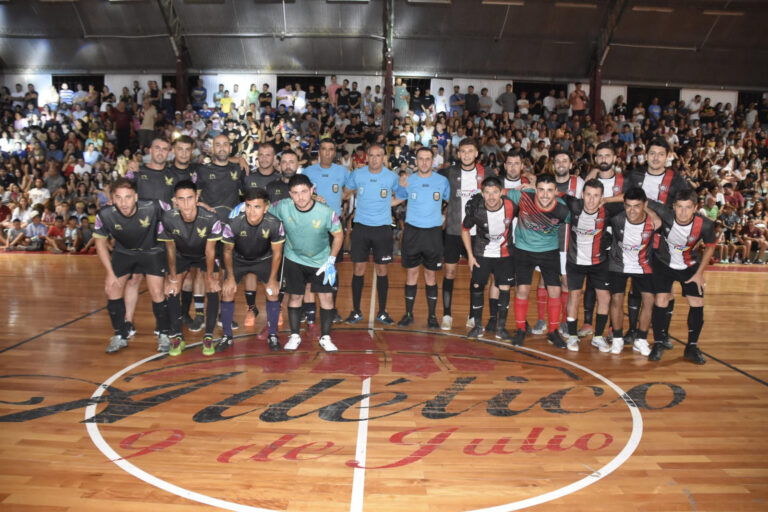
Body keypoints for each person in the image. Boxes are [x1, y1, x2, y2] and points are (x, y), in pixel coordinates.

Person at [92, 178, 171, 354]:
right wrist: (110, 273)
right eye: (118, 198)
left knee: (157, 291)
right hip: (124, 252)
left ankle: (164, 334)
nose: (123, 202)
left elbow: (176, 212)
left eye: (128, 197)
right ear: (112, 198)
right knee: (111, 288)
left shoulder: (153, 206)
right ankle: (120, 335)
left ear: (136, 197)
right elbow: (100, 244)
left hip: (151, 250)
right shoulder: (104, 214)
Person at [269, 174, 343, 351]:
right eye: (295, 193)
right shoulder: (283, 206)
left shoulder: (326, 212)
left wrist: (331, 260)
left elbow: (338, 235)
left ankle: (325, 337)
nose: (300, 197)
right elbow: (263, 209)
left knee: (326, 298)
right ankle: (294, 335)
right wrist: (243, 207)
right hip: (294, 258)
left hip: (321, 261)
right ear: (290, 194)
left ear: (312, 191)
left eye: (304, 191)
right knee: (295, 297)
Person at [648, 189, 716, 364]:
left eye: (688, 207)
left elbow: (710, 246)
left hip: (690, 266)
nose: (683, 212)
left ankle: (691, 347)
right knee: (661, 300)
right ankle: (658, 343)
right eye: (679, 207)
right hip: (663, 262)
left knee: (697, 303)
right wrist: (652, 215)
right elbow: (640, 200)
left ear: (695, 208)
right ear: (673, 207)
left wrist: (700, 273)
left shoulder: (706, 225)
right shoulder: (665, 213)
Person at [158, 180, 223, 356]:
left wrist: (211, 276)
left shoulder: (211, 218)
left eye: (189, 198)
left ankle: (208, 336)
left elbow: (210, 251)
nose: (186, 204)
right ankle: (177, 336)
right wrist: (171, 277)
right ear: (175, 201)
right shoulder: (167, 218)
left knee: (213, 287)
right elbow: (170, 248)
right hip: (180, 254)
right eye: (181, 199)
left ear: (197, 198)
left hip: (204, 254)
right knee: (171, 289)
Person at [506, 173, 571, 347]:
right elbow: (497, 193)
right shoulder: (524, 196)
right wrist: (511, 189)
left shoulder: (564, 209)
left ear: (556, 192)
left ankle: (553, 331)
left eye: (550, 191)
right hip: (523, 249)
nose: (545, 194)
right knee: (522, 290)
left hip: (549, 251)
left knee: (555, 291)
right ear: (536, 189)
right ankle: (520, 329)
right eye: (541, 189)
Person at [219, 188, 285, 352]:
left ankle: (273, 335)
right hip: (238, 259)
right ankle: (227, 336)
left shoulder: (275, 224)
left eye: (256, 207)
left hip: (264, 260)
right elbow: (227, 251)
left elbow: (277, 254)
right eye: (248, 206)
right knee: (227, 291)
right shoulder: (233, 223)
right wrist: (230, 277)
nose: (251, 211)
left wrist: (272, 279)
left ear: (266, 208)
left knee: (272, 292)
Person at [560, 179, 622, 352]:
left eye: (596, 196)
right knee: (574, 296)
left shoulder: (608, 210)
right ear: (582, 195)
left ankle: (598, 337)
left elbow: (632, 199)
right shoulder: (573, 205)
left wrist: (608, 200)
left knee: (605, 298)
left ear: (602, 197)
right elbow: (550, 194)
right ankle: (572, 336)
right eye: (588, 195)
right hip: (575, 261)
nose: (592, 200)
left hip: (599, 263)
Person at [393, 146, 450, 329]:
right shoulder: (408, 181)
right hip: (413, 232)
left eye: (428, 159)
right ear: (415, 162)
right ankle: (408, 314)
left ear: (432, 161)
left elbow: (451, 202)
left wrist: (446, 218)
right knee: (411, 273)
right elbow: (397, 199)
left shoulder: (442, 181)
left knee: (430, 275)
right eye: (421, 159)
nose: (424, 162)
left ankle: (432, 316)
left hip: (433, 233)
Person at [344, 144, 399, 325]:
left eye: (379, 156)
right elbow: (346, 193)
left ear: (384, 157)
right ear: (367, 157)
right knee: (358, 269)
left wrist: (387, 204)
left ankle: (382, 312)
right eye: (372, 155)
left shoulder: (391, 176)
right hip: (361, 227)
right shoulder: (358, 174)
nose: (375, 159)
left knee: (382, 270)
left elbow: (403, 194)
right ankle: (356, 310)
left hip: (382, 228)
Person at [607, 187, 661, 356]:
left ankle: (641, 339)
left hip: (643, 265)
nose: (632, 210)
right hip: (618, 264)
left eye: (636, 206)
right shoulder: (616, 219)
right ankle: (617, 338)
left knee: (649, 300)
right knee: (616, 299)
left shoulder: (654, 223)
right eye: (628, 206)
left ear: (644, 205)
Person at [438, 138, 486, 330]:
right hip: (453, 231)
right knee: (449, 272)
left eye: (470, 151)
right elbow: (428, 176)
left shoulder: (486, 173)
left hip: (477, 233)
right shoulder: (449, 172)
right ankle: (447, 315)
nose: (466, 155)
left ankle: (473, 315)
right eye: (463, 151)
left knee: (476, 273)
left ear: (476, 154)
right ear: (458, 154)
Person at [462, 177, 516, 340]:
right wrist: (470, 256)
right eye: (487, 192)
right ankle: (478, 327)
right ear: (482, 193)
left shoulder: (511, 206)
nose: (491, 197)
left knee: (505, 288)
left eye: (495, 192)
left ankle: (501, 328)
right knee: (477, 286)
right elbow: (465, 229)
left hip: (505, 254)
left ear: (501, 192)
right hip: (481, 253)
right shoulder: (476, 209)